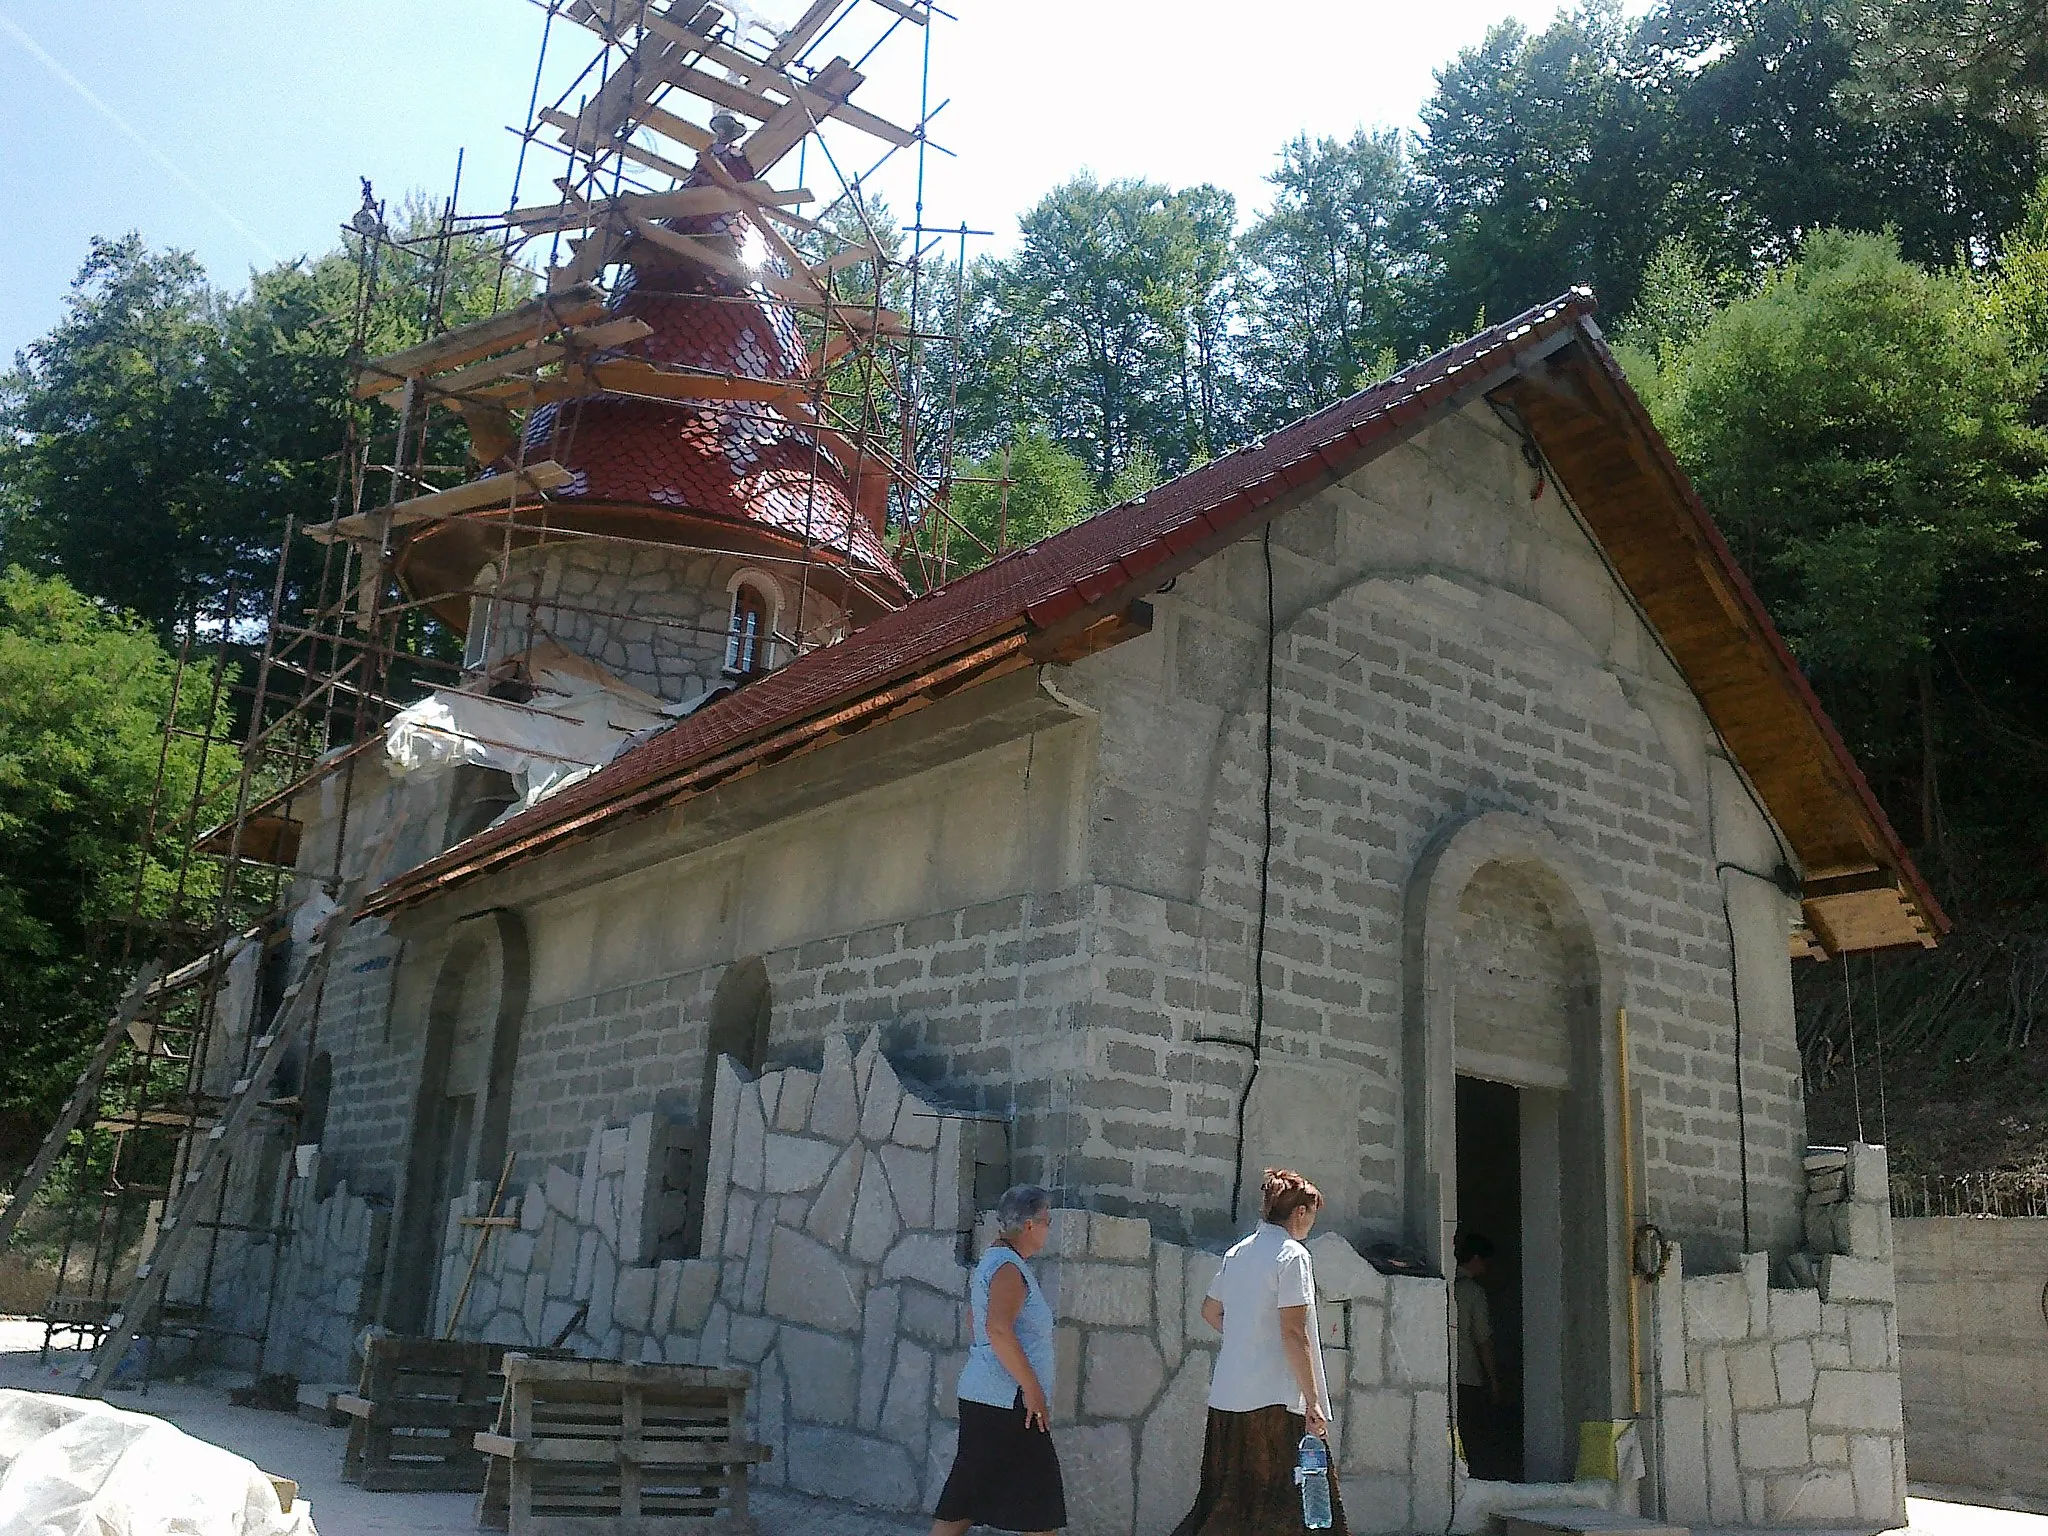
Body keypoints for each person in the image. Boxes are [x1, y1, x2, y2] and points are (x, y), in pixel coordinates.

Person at [1171, 1168, 1348, 1536]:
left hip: (1229, 1398)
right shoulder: (1293, 1255)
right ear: (1300, 1212)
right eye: (1312, 1215)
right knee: (1298, 1509)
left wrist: (1247, 1335)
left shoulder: (1238, 1253)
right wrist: (1313, 1401)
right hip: (1278, 1401)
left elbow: (1210, 1311)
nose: (1311, 1224)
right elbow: (1293, 1331)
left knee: (1226, 1504)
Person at [931, 1183, 1067, 1536]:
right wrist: (1033, 1389)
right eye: (1047, 1221)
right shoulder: (1009, 1268)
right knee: (1040, 1502)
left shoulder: (995, 1262)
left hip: (990, 1399)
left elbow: (976, 1322)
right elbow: (997, 1329)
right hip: (1008, 1404)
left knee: (968, 1496)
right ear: (1030, 1225)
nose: (1049, 1229)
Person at [1453, 1232, 1508, 1479]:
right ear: (1475, 1259)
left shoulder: (1449, 1286)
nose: (1487, 1268)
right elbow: (1483, 1340)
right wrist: (1494, 1381)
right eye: (1485, 1261)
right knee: (1474, 1437)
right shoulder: (1473, 1292)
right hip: (1469, 1377)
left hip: (1448, 1376)